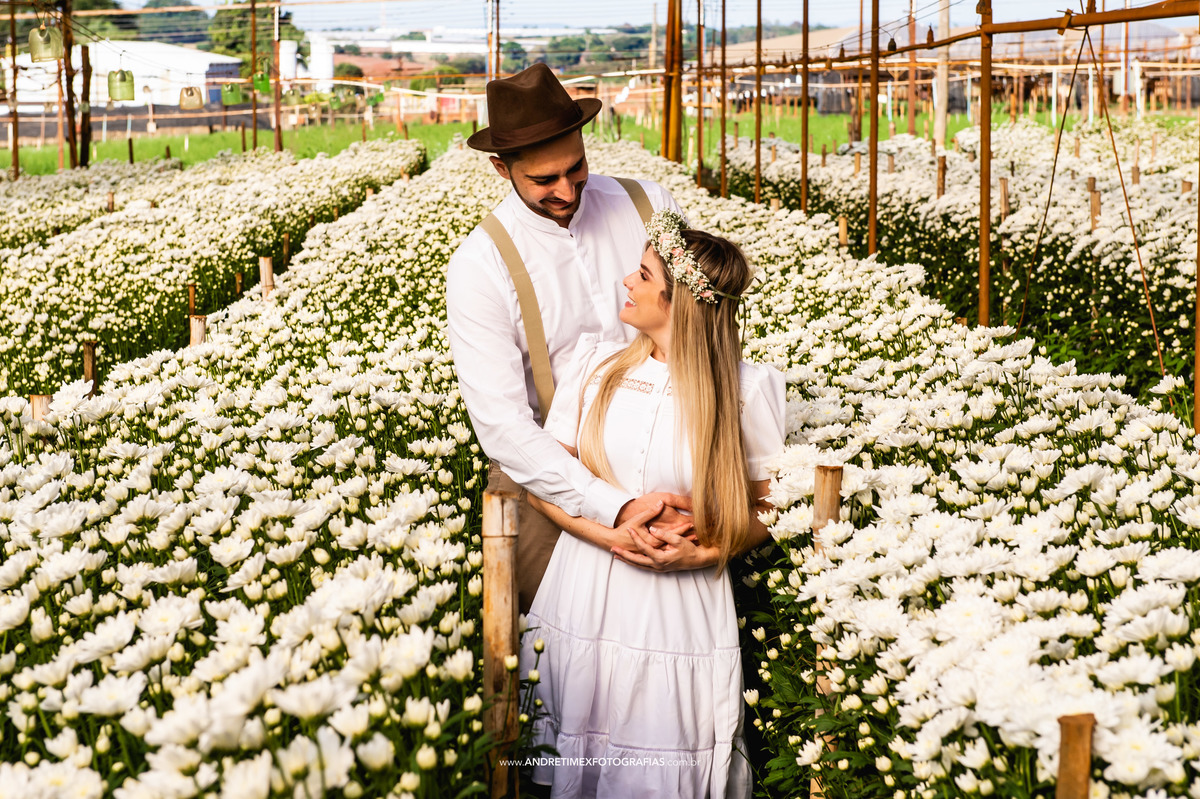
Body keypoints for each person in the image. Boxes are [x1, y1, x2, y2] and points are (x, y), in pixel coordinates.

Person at [518, 211, 786, 798]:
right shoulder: (594, 366)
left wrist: (705, 553)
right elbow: (544, 485)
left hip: (677, 605)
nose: (627, 282)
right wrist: (610, 534)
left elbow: (771, 506)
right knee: (570, 754)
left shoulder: (747, 387)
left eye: (643, 274)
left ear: (681, 300)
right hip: (584, 587)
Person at [446, 63, 692, 613]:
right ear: (499, 167)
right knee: (546, 653)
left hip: (674, 464)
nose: (566, 189)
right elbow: (504, 428)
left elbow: (703, 322)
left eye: (576, 167)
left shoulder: (650, 206)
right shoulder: (480, 265)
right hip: (552, 480)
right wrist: (613, 508)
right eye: (543, 180)